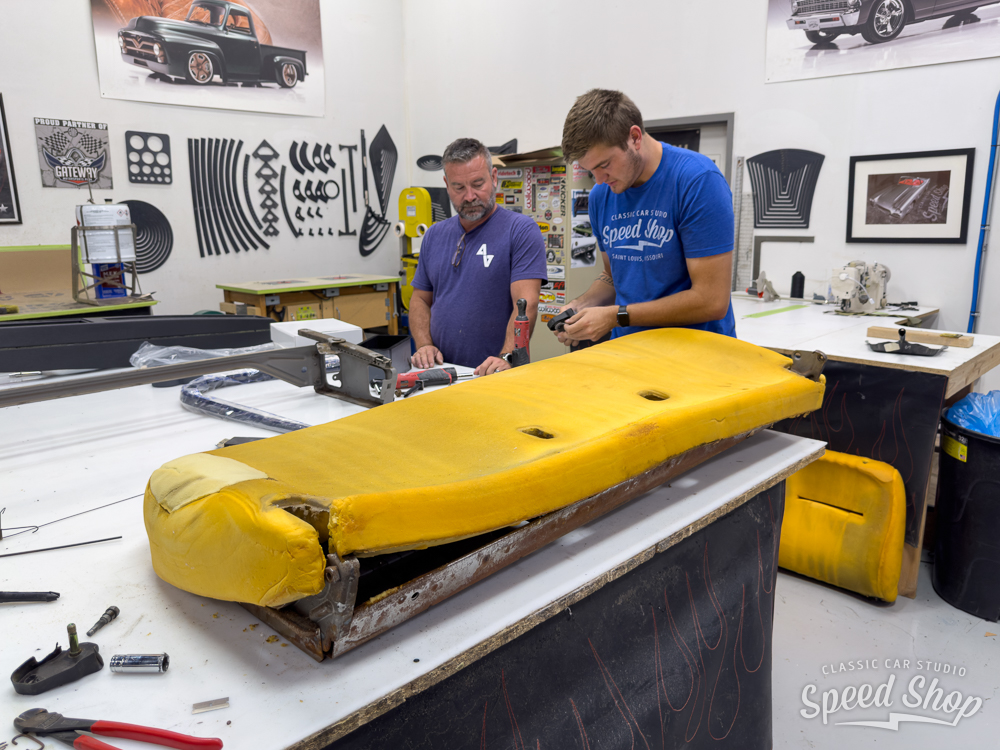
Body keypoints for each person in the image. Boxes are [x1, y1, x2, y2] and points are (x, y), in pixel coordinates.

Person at [554, 89, 736, 347]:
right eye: (591, 170)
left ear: (635, 138)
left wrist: (616, 316)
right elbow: (613, 277)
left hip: (695, 355)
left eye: (604, 165)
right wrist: (581, 306)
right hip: (630, 352)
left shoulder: (697, 181)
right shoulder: (600, 196)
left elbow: (711, 300)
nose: (599, 179)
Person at [409, 138, 547, 375]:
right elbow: (420, 299)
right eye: (459, 187)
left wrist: (507, 356)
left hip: (495, 374)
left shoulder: (520, 230)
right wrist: (424, 345)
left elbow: (526, 304)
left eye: (477, 184)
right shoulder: (434, 235)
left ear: (493, 177)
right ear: (446, 184)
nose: (470, 196)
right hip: (442, 373)